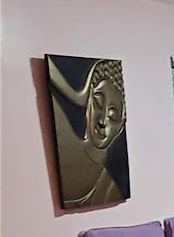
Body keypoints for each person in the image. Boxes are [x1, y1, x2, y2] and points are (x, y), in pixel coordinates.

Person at [47, 56, 129, 208]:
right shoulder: (65, 145)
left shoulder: (111, 188)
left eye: (112, 116)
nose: (102, 121)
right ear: (88, 102)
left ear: (120, 128)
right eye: (97, 103)